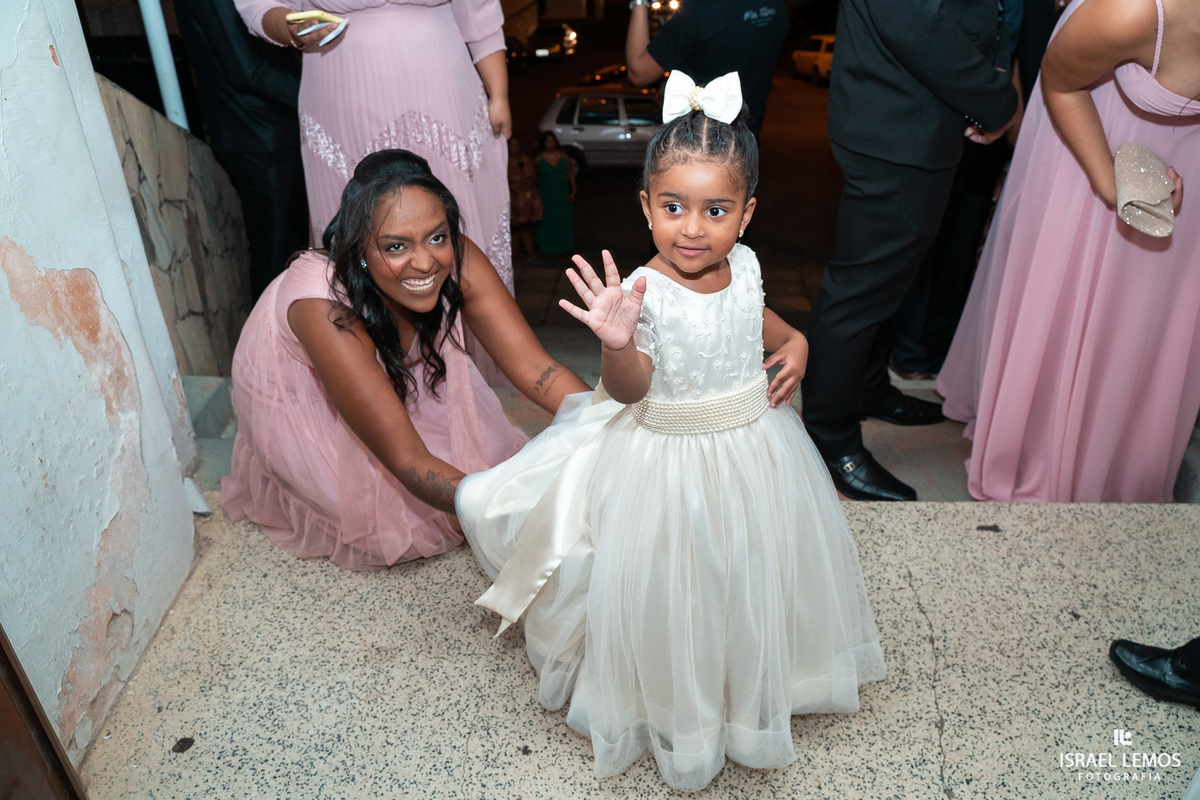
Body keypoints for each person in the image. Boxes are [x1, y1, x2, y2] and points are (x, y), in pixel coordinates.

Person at [456, 74, 886, 792]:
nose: (693, 228)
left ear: (746, 214)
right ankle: (683, 705)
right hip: (669, 466)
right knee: (680, 584)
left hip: (754, 452)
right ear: (646, 207)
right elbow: (630, 390)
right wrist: (618, 342)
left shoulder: (743, 268)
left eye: (715, 210)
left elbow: (766, 328)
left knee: (752, 568)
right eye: (674, 208)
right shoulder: (645, 289)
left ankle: (748, 682)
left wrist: (800, 347)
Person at [220, 150, 589, 571]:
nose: (424, 262)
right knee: (405, 514)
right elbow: (407, 460)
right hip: (299, 405)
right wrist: (509, 509)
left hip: (373, 367)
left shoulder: (452, 254)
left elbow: (535, 369)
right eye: (396, 246)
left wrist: (613, 426)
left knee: (491, 459)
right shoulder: (324, 309)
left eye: (437, 237)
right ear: (360, 251)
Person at [936, 0, 1197, 502]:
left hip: (1188, 163)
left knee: (1155, 318)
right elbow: (1060, 81)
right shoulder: (1135, 13)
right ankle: (1038, 445)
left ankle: (1126, 456)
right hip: (1090, 139)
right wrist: (1112, 183)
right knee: (1083, 304)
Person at [800, 0, 1020, 502]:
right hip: (896, 123)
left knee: (889, 281)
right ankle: (829, 437)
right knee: (860, 289)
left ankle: (868, 389)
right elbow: (917, 21)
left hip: (911, 119)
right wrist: (996, 99)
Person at [231, 0, 515, 297]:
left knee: (453, 223)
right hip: (342, 96)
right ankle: (374, 339)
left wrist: (499, 95)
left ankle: (467, 337)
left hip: (448, 93)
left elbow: (479, 12)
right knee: (363, 227)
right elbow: (260, 5)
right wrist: (290, 26)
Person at [174, 0, 310, 301]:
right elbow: (246, 70)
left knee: (293, 251)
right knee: (276, 258)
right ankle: (267, 344)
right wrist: (314, 93)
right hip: (258, 137)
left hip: (267, 128)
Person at [624, 0, 788, 138]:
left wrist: (640, 3)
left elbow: (639, 72)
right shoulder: (776, 7)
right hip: (747, 147)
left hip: (697, 150)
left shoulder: (701, 9)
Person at [533, 131, 575, 258]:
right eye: (547, 141)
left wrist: (573, 190)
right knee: (547, 223)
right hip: (546, 194)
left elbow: (571, 173)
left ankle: (565, 248)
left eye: (552, 141)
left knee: (563, 220)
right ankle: (548, 250)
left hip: (561, 192)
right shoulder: (539, 159)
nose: (550, 144)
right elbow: (535, 177)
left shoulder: (563, 156)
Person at [506, 136, 541, 263]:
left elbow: (534, 177)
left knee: (526, 226)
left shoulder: (525, 159)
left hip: (526, 197)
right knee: (514, 228)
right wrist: (514, 187)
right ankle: (514, 256)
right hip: (512, 197)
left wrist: (522, 185)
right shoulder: (505, 160)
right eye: (512, 144)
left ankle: (531, 254)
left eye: (517, 144)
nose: (515, 147)